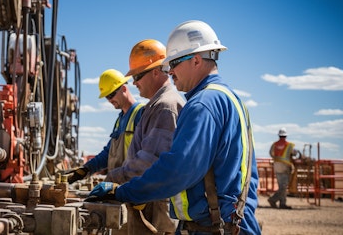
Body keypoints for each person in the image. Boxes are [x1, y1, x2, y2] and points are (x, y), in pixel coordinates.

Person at [89, 20, 262, 235]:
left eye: (174, 64)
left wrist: (124, 191)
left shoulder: (202, 104)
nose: (169, 71)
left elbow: (178, 170)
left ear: (196, 60)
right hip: (229, 222)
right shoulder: (231, 98)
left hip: (214, 227)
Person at [106, 39, 185, 234]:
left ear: (156, 72)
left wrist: (113, 179)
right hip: (148, 198)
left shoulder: (165, 106)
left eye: (138, 76)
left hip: (158, 204)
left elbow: (150, 161)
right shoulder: (156, 105)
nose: (134, 83)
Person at [68, 69, 144, 184]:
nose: (110, 100)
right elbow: (109, 153)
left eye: (112, 94)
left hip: (133, 187)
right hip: (119, 186)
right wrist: (87, 169)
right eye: (107, 97)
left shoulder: (141, 113)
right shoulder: (120, 120)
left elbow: (147, 157)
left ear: (124, 88)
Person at [268, 127, 296, 209]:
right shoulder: (289, 145)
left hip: (276, 167)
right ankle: (274, 200)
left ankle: (282, 203)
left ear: (279, 135)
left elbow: (271, 153)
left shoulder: (274, 144)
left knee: (282, 186)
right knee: (283, 187)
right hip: (285, 168)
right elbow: (294, 154)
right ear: (286, 136)